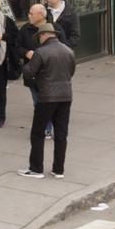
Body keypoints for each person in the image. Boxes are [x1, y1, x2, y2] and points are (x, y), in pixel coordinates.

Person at [19, 25, 75, 180]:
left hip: (47, 96)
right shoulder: (68, 50)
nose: (39, 39)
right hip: (66, 95)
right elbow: (71, 72)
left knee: (37, 132)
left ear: (43, 35)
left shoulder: (40, 52)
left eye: (39, 37)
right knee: (61, 133)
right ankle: (58, 169)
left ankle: (36, 168)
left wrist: (26, 68)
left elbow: (29, 72)